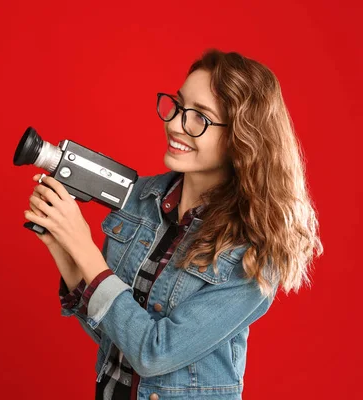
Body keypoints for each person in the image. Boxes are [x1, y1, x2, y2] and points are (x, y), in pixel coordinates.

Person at [22, 49, 323, 400]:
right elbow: (120, 335)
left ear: (242, 138)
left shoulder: (253, 251)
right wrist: (64, 249)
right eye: (178, 106)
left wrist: (84, 248)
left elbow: (154, 353)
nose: (176, 124)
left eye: (200, 117)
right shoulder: (139, 201)